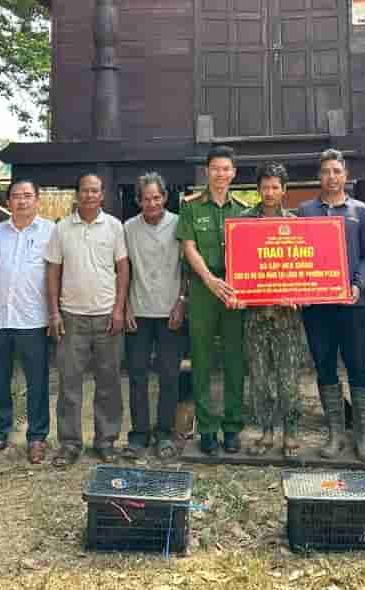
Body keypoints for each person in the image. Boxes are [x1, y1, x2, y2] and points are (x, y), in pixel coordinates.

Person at [297, 149, 365, 462]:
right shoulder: (305, 211)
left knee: (358, 366)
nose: (331, 177)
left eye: (336, 171)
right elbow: (297, 253)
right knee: (325, 366)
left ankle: (363, 436)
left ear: (345, 175)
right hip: (317, 306)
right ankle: (335, 434)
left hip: (351, 302)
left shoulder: (359, 210)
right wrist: (299, 287)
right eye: (326, 171)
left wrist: (359, 284)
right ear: (319, 176)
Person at [46, 173, 129, 466]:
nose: (90, 195)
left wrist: (119, 309)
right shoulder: (62, 228)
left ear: (102, 195)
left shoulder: (114, 227)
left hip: (106, 316)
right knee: (69, 383)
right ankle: (69, 443)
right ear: (77, 194)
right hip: (72, 317)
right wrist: (54, 312)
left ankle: (106, 441)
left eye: (95, 191)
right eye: (85, 190)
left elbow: (123, 269)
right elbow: (53, 271)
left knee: (109, 383)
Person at [0, 179, 55, 464]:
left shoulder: (50, 233)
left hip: (34, 320)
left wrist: (54, 313)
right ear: (8, 202)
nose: (22, 201)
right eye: (16, 196)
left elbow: (58, 274)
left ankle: (37, 438)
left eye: (28, 196)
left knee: (37, 382)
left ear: (37, 200)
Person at [177, 145, 248, 456]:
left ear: (233, 173)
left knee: (235, 360)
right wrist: (209, 280)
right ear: (207, 171)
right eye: (216, 168)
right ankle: (206, 430)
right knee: (202, 360)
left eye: (226, 169)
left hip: (234, 291)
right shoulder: (190, 207)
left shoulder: (243, 210)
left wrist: (235, 286)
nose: (221, 174)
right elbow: (188, 246)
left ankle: (231, 428)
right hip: (203, 289)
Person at [241, 162, 306, 459]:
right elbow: (238, 264)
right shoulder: (243, 223)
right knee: (260, 377)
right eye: (265, 187)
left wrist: (300, 295)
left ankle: (290, 432)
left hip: (287, 316)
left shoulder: (295, 224)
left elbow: (304, 267)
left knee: (288, 377)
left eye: (275, 187)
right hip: (255, 314)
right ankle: (266, 431)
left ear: (284, 190)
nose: (269, 192)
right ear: (258, 189)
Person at [124, 172, 185, 460]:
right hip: (138, 311)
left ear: (165, 198)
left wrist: (181, 302)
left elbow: (187, 267)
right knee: (137, 375)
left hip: (170, 311)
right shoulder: (128, 228)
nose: (152, 203)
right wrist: (125, 305)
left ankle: (164, 433)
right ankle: (139, 435)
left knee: (169, 375)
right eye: (146, 198)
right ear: (138, 201)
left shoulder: (178, 224)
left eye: (157, 197)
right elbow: (122, 270)